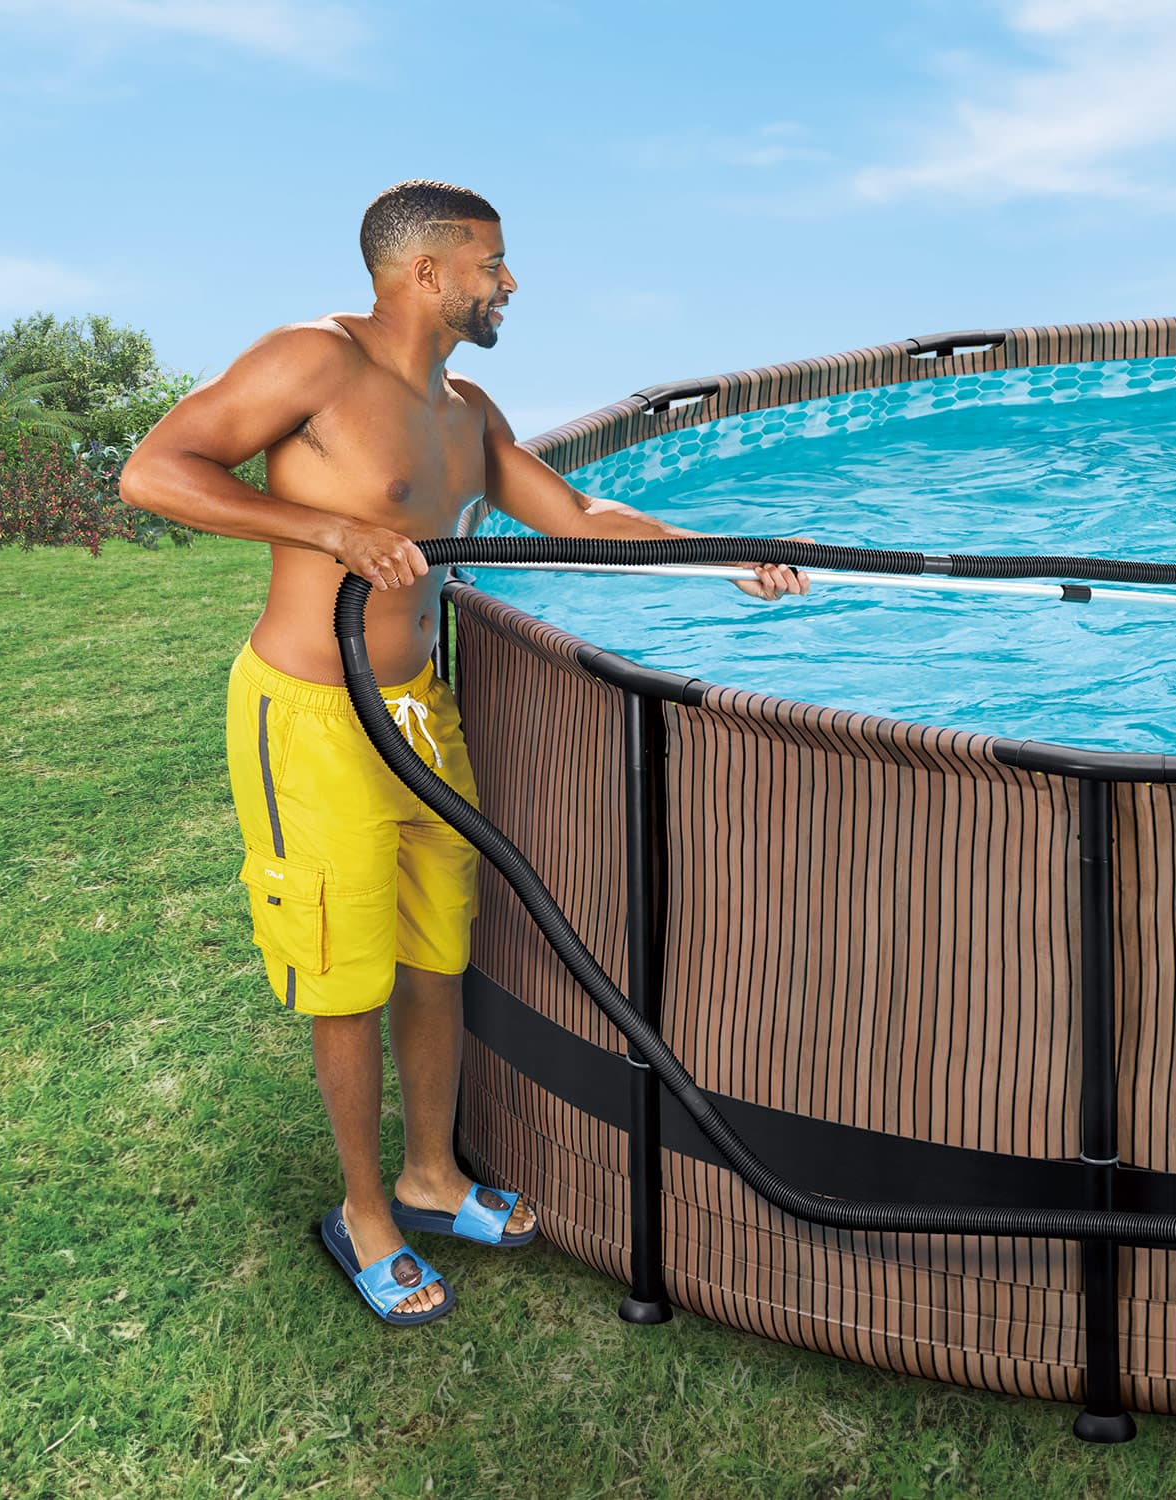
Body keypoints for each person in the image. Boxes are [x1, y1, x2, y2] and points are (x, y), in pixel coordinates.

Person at [120, 178, 810, 1325]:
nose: (510, 282)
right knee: (345, 975)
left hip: (419, 709)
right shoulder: (312, 361)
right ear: (427, 271)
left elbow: (578, 518)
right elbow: (155, 471)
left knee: (437, 948)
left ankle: (430, 1176)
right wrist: (332, 527)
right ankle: (364, 1215)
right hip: (309, 710)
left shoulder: (467, 406)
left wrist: (725, 551)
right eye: (493, 262)